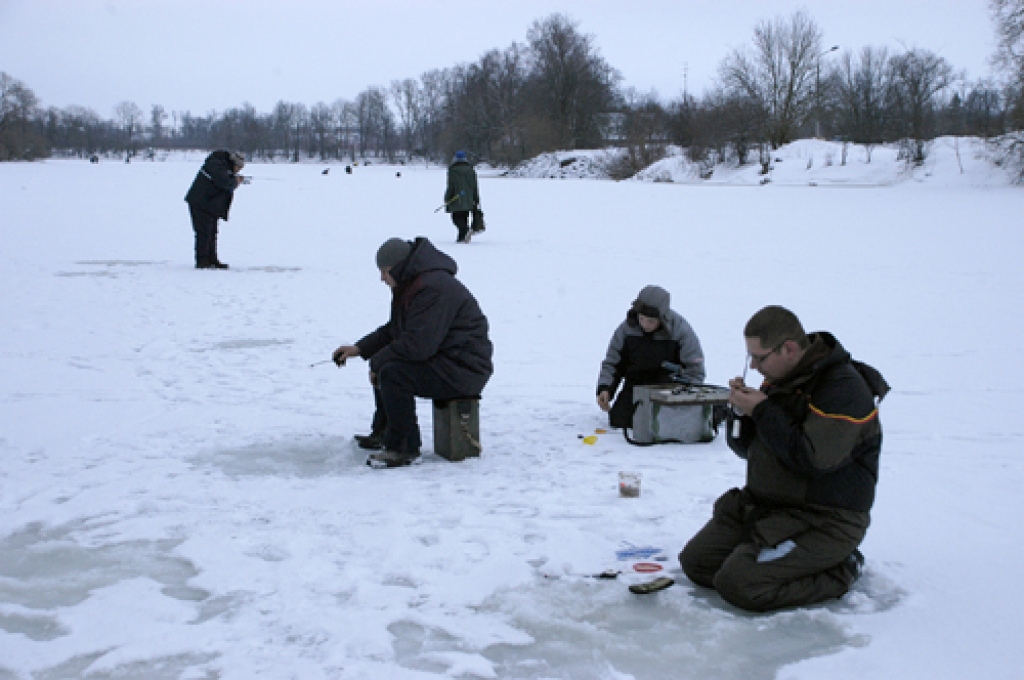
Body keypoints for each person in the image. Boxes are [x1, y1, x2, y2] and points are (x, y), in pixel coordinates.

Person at [679, 306, 889, 612]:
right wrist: (741, 413)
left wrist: (763, 411)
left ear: (789, 349)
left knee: (739, 584)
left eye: (760, 357)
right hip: (770, 508)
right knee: (698, 563)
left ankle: (842, 568)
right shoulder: (782, 379)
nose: (753, 365)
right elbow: (748, 450)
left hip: (824, 519)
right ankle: (772, 558)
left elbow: (812, 459)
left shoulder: (843, 389)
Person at [333, 237, 493, 469]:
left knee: (393, 372)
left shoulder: (433, 288)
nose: (382, 278)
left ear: (398, 268)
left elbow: (419, 345)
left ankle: (403, 447)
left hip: (464, 368)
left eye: (385, 272)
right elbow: (396, 330)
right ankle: (385, 433)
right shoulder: (414, 284)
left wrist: (377, 362)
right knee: (388, 365)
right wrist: (360, 349)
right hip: (446, 360)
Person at [597, 285, 705, 429]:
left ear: (662, 317)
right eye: (641, 318)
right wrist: (605, 388)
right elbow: (612, 363)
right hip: (636, 386)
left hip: (669, 389)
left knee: (668, 424)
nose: (644, 324)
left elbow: (694, 370)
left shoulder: (680, 330)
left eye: (651, 321)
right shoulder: (626, 329)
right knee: (620, 421)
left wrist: (686, 398)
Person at [184, 150, 246, 269]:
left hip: (210, 204)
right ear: (234, 163)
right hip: (200, 202)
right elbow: (225, 182)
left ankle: (212, 259)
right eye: (238, 168)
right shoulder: (216, 165)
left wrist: (234, 180)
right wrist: (235, 181)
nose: (238, 171)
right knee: (204, 233)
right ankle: (202, 261)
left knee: (212, 232)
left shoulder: (222, 167)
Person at [444, 150, 481, 243]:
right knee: (464, 217)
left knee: (456, 218)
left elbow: (451, 186)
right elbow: (474, 186)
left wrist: (447, 198)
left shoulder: (452, 171)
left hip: (456, 198)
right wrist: (476, 199)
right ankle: (462, 237)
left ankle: (464, 232)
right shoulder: (471, 170)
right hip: (469, 199)